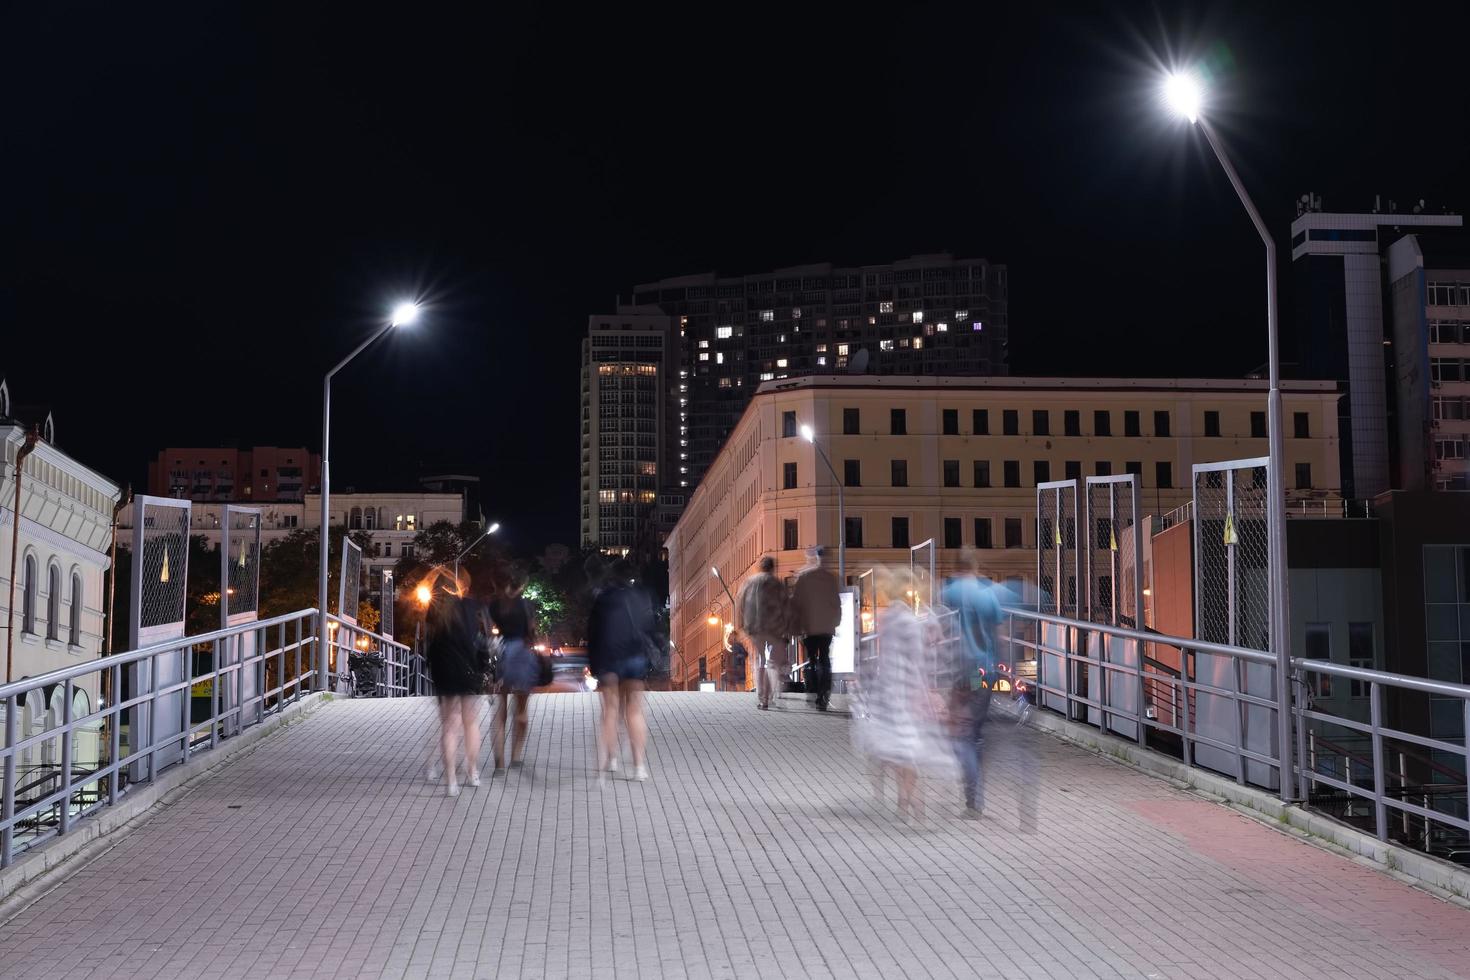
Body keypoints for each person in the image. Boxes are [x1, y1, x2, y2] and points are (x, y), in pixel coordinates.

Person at [852, 566, 939, 821]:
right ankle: (913, 803)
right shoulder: (909, 621)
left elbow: (880, 656)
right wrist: (926, 693)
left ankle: (907, 802)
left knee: (894, 750)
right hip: (906, 691)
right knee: (906, 750)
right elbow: (917, 660)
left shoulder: (887, 617)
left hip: (887, 691)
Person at [941, 548, 1007, 818]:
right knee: (976, 733)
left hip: (962, 671)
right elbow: (999, 633)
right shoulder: (987, 592)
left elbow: (942, 632)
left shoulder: (949, 592)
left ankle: (973, 799)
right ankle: (975, 786)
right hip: (985, 670)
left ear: (958, 567)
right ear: (976, 567)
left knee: (962, 736)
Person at [587, 559, 656, 781]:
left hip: (608, 658)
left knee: (610, 710)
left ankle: (610, 761)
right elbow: (650, 628)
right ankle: (639, 767)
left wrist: (593, 665)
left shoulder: (603, 599)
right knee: (634, 712)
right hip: (635, 657)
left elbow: (593, 633)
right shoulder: (642, 597)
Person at [422, 566, 487, 797]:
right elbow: (481, 639)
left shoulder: (435, 608)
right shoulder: (471, 607)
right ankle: (472, 771)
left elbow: (430, 634)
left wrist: (435, 573)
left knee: (449, 725)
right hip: (468, 669)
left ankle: (451, 782)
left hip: (443, 669)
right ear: (464, 587)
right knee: (471, 724)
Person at [487, 567, 538, 773]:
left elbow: (490, 633)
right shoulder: (527, 606)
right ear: (522, 585)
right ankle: (515, 757)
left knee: (500, 712)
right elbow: (532, 632)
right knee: (522, 710)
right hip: (522, 656)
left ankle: (499, 763)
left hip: (502, 655)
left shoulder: (495, 606)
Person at [791, 547, 841, 711]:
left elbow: (796, 602)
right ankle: (823, 695)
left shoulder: (805, 576)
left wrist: (797, 625)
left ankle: (812, 691)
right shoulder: (830, 578)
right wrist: (836, 621)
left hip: (809, 627)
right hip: (826, 627)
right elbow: (836, 602)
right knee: (825, 659)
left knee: (812, 659)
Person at [737, 555, 790, 710]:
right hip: (774, 628)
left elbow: (739, 603)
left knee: (759, 661)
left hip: (754, 628)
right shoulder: (777, 584)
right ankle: (772, 694)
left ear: (760, 567)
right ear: (773, 568)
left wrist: (740, 625)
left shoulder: (749, 582)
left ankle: (763, 699)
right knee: (772, 662)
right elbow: (785, 606)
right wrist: (786, 627)